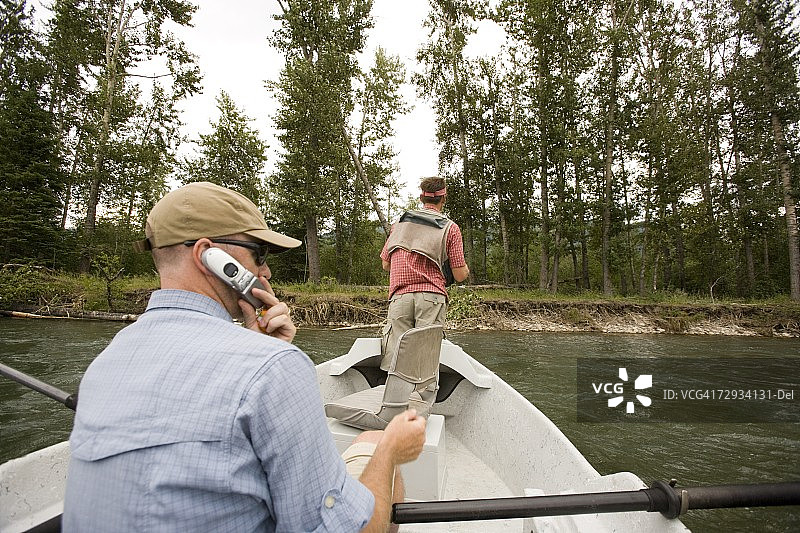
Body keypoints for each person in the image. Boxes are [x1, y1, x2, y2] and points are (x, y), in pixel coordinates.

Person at [63, 182, 426, 533]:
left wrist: (261, 345)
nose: (265, 271)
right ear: (209, 255)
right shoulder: (271, 368)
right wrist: (392, 451)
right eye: (258, 253)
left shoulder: (105, 362)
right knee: (373, 444)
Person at [379, 176, 469, 371]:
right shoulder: (450, 228)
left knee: (397, 358)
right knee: (424, 360)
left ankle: (394, 399)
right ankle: (422, 399)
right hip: (431, 298)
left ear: (421, 198)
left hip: (400, 297)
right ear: (443, 198)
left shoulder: (399, 224)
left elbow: (386, 264)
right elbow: (460, 275)